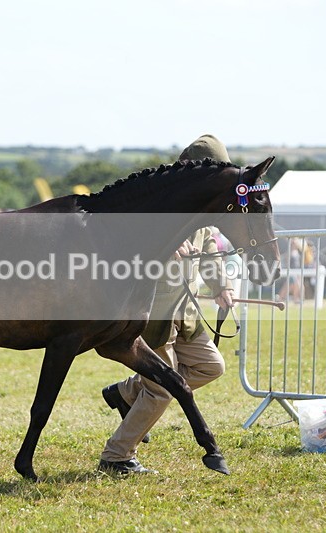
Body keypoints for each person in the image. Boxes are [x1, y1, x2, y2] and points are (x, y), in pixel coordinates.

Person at [98, 134, 236, 475]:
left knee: (211, 367)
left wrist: (221, 286)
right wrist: (161, 248)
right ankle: (116, 456)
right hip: (152, 313)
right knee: (161, 389)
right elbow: (123, 244)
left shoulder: (203, 209)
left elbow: (210, 252)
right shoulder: (157, 200)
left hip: (186, 313)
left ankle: (127, 393)